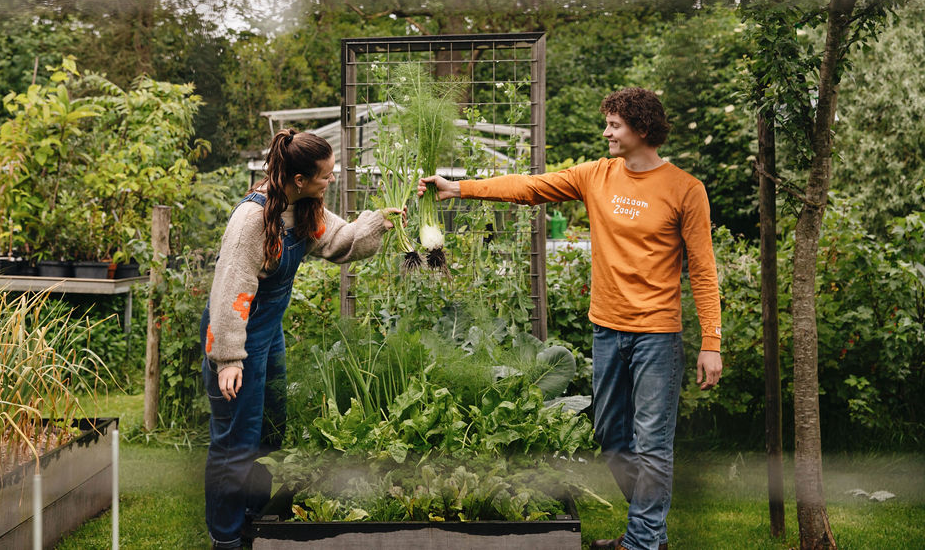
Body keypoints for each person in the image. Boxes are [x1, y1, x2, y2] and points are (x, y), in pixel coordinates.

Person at [419, 87, 722, 550]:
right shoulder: (595, 176)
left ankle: (641, 542)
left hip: (657, 337)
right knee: (612, 438)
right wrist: (457, 188)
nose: (606, 132)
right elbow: (529, 187)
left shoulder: (685, 189)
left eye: (614, 125)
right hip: (606, 329)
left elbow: (702, 270)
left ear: (642, 130)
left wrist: (711, 342)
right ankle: (650, 533)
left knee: (653, 444)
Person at [201, 128, 403, 549]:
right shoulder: (252, 220)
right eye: (326, 175)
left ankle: (254, 520)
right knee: (236, 442)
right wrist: (228, 359)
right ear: (298, 179)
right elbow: (230, 291)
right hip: (235, 338)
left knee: (269, 432)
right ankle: (226, 538)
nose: (331, 179)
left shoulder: (304, 209)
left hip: (268, 335)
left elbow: (339, 242)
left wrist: (377, 222)